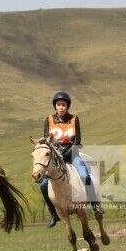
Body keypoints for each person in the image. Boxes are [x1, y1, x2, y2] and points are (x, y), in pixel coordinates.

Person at [41, 91, 103, 228]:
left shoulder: (74, 119)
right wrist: (56, 153)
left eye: (63, 105)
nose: (61, 107)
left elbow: (78, 140)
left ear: (67, 106)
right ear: (55, 106)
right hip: (55, 157)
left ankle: (95, 205)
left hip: (72, 154)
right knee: (43, 184)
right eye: (59, 105)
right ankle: (53, 213)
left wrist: (67, 152)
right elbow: (46, 141)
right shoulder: (49, 120)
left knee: (86, 176)